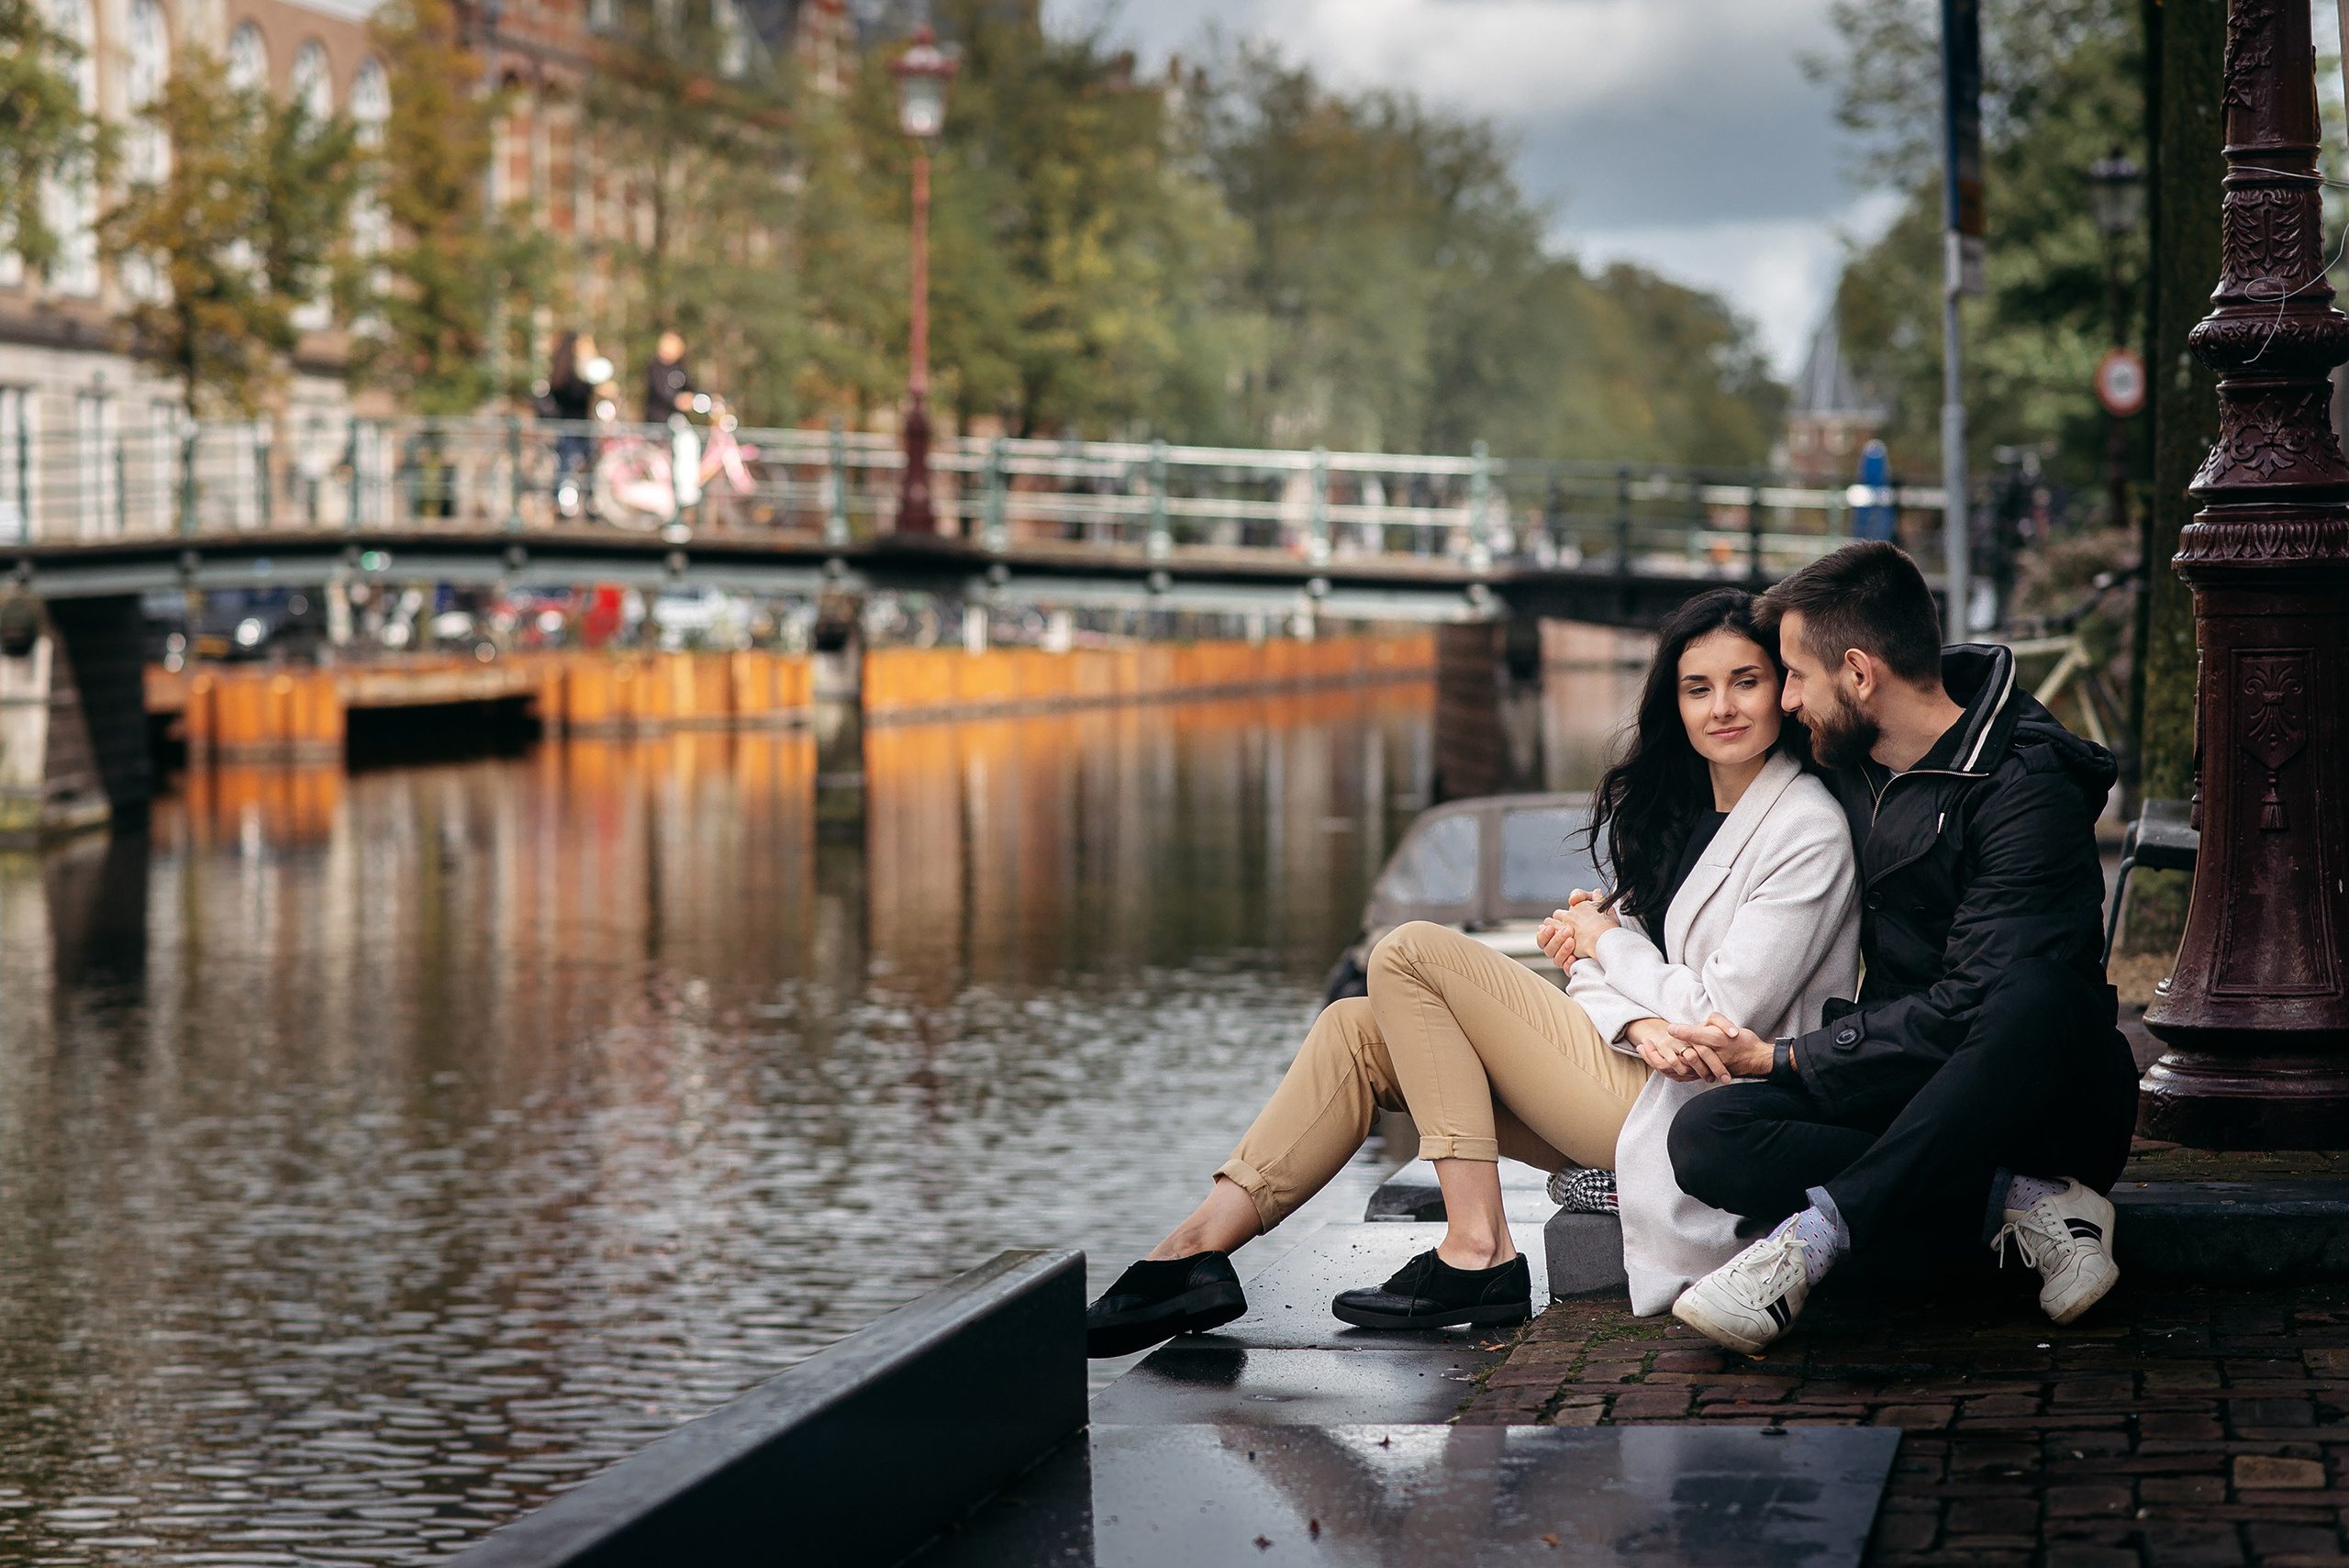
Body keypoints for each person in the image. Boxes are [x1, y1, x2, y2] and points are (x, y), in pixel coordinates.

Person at [1084, 589, 1862, 1357]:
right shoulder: (1679, 815)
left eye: (1746, 681)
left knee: (1409, 951)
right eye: (1699, 688)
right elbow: (1591, 970)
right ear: (1675, 703)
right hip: (1635, 1067)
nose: (1722, 706)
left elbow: (1724, 1008)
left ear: (1784, 691)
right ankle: (1191, 1251)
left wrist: (1604, 949)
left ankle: (1478, 1246)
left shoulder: (1805, 828)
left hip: (1698, 1107)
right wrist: (1632, 1011)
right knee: (1356, 1031)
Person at [1660, 540, 2138, 1356]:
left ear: (1858, 672)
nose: (1785, 697)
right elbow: (1715, 774)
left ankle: (1811, 1243)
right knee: (1708, 1135)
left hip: (2041, 1096)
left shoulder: (2025, 785)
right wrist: (1608, 920)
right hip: (1907, 1079)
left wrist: (1787, 1058)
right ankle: (2021, 1204)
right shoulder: (1849, 759)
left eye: (1794, 676)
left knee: (2030, 992)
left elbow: (1973, 1005)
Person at [541, 332, 598, 517]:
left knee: (575, 464)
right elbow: (576, 393)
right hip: (571, 425)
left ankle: (574, 503)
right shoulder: (569, 371)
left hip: (578, 425)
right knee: (567, 464)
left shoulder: (570, 367)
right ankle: (563, 504)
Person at [643, 331, 696, 426]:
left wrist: (693, 397)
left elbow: (691, 386)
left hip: (679, 421)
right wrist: (677, 401)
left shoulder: (681, 367)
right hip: (658, 421)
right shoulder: (655, 367)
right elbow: (660, 390)